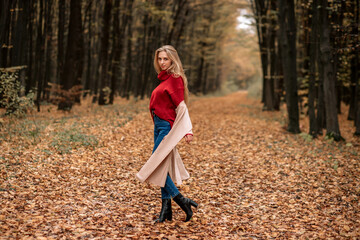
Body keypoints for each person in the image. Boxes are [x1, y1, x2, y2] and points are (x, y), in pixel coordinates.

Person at [136, 45, 198, 223]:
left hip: (165, 127)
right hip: (158, 125)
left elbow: (181, 106)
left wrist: (188, 129)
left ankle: (181, 200)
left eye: (166, 59)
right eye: (160, 59)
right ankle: (166, 211)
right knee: (162, 167)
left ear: (173, 60)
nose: (162, 62)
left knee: (155, 165)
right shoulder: (165, 79)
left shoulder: (175, 79)